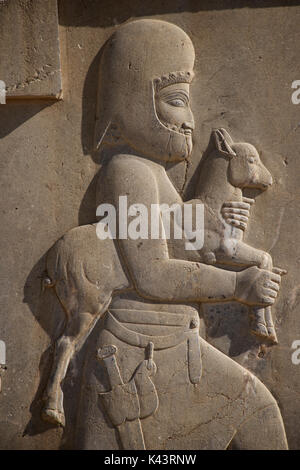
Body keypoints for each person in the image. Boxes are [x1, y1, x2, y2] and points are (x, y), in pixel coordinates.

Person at [76, 19, 287, 450]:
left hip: (170, 348)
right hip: (139, 360)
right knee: (261, 413)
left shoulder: (152, 173)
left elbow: (184, 234)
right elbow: (151, 273)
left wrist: (219, 223)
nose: (190, 119)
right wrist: (237, 286)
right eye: (176, 101)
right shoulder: (127, 172)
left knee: (261, 414)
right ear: (134, 99)